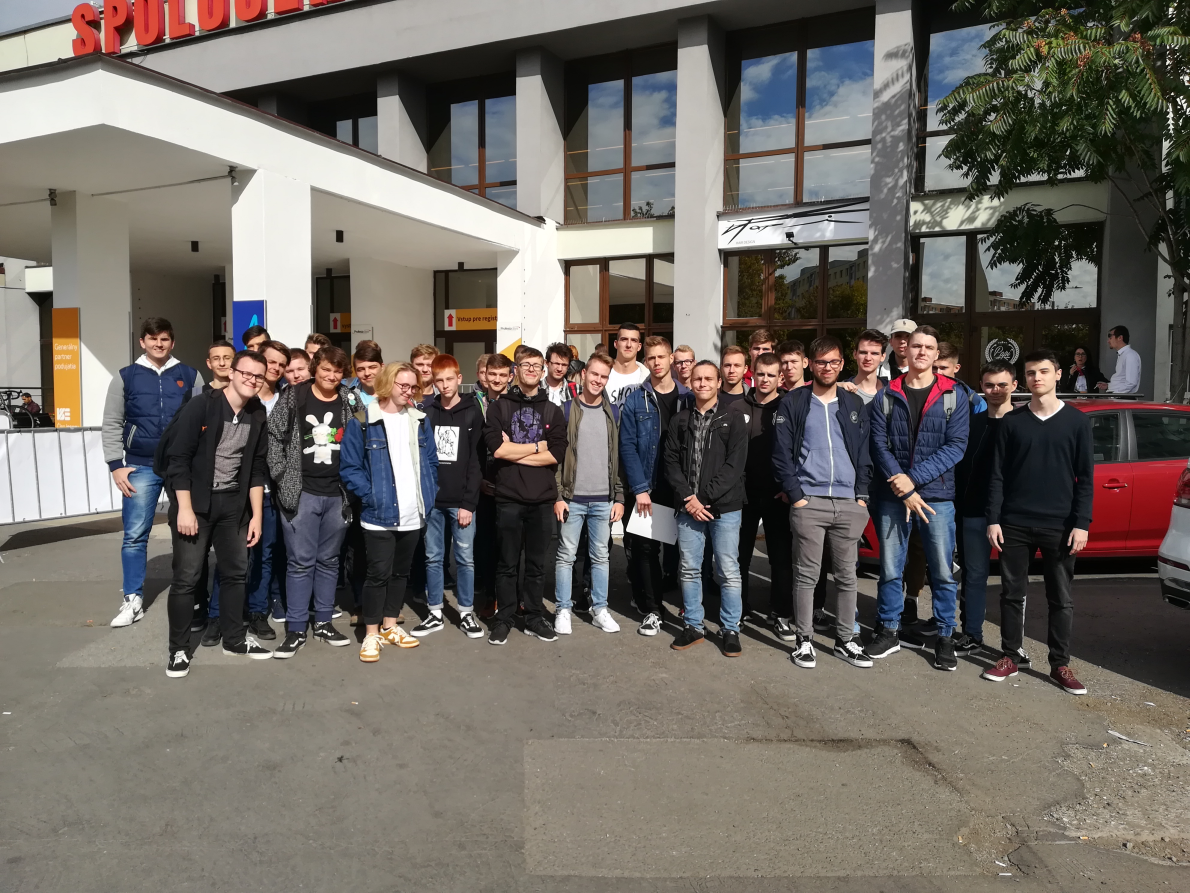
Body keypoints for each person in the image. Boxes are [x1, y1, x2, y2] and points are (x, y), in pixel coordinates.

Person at [983, 349, 1093, 695]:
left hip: (1060, 526)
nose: (1037, 378)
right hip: (1014, 523)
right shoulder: (1012, 422)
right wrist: (994, 519)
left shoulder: (1077, 422)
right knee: (1011, 594)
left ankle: (1060, 664)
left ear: (1058, 374)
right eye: (1031, 373)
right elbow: (997, 476)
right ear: (1024, 379)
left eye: (1043, 371)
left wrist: (1082, 523)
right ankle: (1010, 656)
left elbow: (1085, 479)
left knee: (1060, 598)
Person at [163, 350, 270, 678]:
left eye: (258, 376)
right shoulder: (202, 406)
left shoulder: (257, 413)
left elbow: (256, 468)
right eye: (246, 373)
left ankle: (234, 639)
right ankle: (178, 650)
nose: (252, 380)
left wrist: (256, 516)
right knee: (187, 577)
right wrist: (184, 509)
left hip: (233, 506)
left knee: (235, 574)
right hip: (195, 504)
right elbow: (178, 460)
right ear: (232, 373)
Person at [867, 326, 969, 670]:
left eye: (929, 347)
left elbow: (956, 447)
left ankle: (945, 636)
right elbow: (878, 444)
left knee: (941, 571)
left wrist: (912, 481)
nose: (922, 352)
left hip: (936, 497)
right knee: (890, 569)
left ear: (937, 354)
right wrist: (904, 488)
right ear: (905, 351)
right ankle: (889, 629)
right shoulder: (886, 394)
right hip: (893, 496)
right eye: (916, 346)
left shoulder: (954, 395)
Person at [773, 336, 874, 669]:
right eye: (821, 362)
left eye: (833, 362)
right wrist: (797, 496)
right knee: (807, 576)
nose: (827, 367)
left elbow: (865, 452)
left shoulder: (853, 403)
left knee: (847, 577)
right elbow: (781, 454)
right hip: (810, 502)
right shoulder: (794, 402)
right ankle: (804, 640)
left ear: (842, 364)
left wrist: (862, 497)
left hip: (849, 503)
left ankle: (846, 640)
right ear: (810, 365)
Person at [104, 317, 203, 629]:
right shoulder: (125, 377)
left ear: (172, 342)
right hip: (140, 465)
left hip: (181, 466)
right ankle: (132, 599)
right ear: (142, 342)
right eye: (153, 339)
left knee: (188, 531)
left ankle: (192, 595)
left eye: (164, 339)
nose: (158, 344)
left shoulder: (190, 375)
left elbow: (202, 420)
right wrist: (115, 465)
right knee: (135, 535)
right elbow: (112, 421)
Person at [267, 345, 362, 657]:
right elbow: (274, 436)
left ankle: (323, 622)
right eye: (326, 370)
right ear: (315, 368)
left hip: (339, 494)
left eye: (337, 371)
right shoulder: (294, 396)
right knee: (300, 562)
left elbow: (363, 438)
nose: (331, 376)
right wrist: (282, 476)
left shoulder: (351, 400)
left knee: (329, 560)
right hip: (302, 492)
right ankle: (296, 628)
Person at [340, 363, 439, 662]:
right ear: (387, 384)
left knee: (400, 574)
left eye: (413, 386)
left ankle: (390, 626)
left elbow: (431, 462)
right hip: (379, 515)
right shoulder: (363, 422)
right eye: (403, 385)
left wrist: (429, 494)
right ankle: (371, 634)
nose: (409, 391)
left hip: (413, 512)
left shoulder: (420, 420)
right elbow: (350, 468)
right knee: (377, 575)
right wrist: (371, 496)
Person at [203, 339, 292, 645]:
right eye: (271, 362)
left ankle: (256, 611)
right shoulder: (238, 397)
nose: (276, 368)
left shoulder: (285, 399)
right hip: (234, 490)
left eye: (282, 364)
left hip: (268, 490)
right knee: (232, 557)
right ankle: (217, 616)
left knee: (264, 555)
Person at [483, 347, 567, 645]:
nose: (531, 369)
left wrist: (515, 452)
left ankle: (533, 616)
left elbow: (556, 454)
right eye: (525, 364)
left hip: (542, 499)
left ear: (543, 371)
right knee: (506, 563)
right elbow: (497, 449)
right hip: (508, 497)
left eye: (536, 365)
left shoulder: (553, 411)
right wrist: (535, 447)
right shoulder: (499, 408)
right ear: (515, 370)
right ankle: (504, 617)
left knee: (536, 565)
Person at [664, 360, 748, 657]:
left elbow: (735, 466)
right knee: (689, 568)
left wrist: (703, 497)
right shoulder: (681, 420)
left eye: (708, 379)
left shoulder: (734, 418)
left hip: (725, 507)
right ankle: (693, 626)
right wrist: (689, 498)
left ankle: (730, 629)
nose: (702, 384)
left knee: (727, 569)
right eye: (698, 379)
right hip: (689, 506)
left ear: (718, 382)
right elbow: (670, 461)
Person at [620, 336, 691, 636]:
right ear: (645, 361)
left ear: (671, 359)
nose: (657, 362)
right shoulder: (636, 399)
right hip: (649, 486)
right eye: (651, 358)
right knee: (646, 549)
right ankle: (653, 609)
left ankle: (691, 610)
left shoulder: (689, 397)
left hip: (682, 488)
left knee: (687, 550)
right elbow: (627, 446)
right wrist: (639, 488)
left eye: (662, 357)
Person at [553, 352, 625, 635]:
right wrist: (558, 496)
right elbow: (557, 458)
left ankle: (600, 609)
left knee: (601, 557)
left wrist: (619, 497)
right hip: (572, 498)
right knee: (566, 556)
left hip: (603, 500)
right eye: (594, 374)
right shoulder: (565, 411)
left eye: (604, 376)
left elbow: (617, 458)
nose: (598, 380)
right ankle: (563, 609)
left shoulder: (613, 413)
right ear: (583, 374)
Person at [414, 354, 484, 638]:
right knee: (433, 557)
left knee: (465, 558)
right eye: (439, 380)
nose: (444, 385)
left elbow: (476, 462)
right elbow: (422, 459)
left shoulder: (472, 412)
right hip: (433, 502)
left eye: (449, 379)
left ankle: (466, 612)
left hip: (461, 503)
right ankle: (434, 612)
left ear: (459, 378)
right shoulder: (427, 412)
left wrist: (468, 503)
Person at [954, 360, 1017, 655]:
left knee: (1013, 584)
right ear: (981, 387)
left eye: (1002, 384)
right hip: (973, 512)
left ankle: (1013, 646)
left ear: (1014, 385)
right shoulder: (970, 424)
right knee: (974, 576)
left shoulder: (1024, 423)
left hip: (1012, 516)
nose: (996, 390)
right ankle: (972, 634)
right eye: (989, 385)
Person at [730, 352, 793, 637]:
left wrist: (789, 486)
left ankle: (780, 613)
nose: (765, 379)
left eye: (771, 375)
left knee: (780, 558)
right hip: (742, 495)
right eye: (760, 374)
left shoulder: (789, 406)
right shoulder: (736, 407)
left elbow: (798, 449)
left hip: (778, 495)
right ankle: (739, 610)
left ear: (780, 377)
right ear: (752, 375)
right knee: (739, 556)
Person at [475, 352, 514, 614]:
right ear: (484, 376)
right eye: (493, 374)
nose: (497, 379)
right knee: (487, 544)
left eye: (502, 375)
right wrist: (478, 479)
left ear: (510, 377)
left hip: (512, 483)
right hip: (484, 484)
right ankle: (490, 596)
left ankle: (513, 597)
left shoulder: (517, 405)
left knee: (511, 545)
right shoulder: (474, 405)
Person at [838, 329, 887, 404]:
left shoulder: (892, 391)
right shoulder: (841, 391)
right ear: (855, 354)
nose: (868, 358)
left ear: (883, 356)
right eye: (863, 353)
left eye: (874, 353)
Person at [605, 323, 649, 405]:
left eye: (634, 340)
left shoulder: (648, 379)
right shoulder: (601, 376)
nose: (628, 345)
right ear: (616, 344)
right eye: (624, 339)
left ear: (639, 347)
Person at [1102, 326, 1141, 394]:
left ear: (1120, 337)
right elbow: (1122, 380)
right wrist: (1109, 386)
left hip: (1122, 397)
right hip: (1119, 396)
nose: (1108, 341)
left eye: (1110, 337)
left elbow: (1131, 383)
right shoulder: (1124, 354)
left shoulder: (1130, 355)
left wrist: (1115, 394)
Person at [350, 341, 384, 406]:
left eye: (372, 367)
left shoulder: (396, 394)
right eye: (361, 369)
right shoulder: (347, 396)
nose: (367, 373)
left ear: (382, 367)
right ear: (355, 371)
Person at [544, 342, 578, 407]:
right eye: (556, 363)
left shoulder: (577, 390)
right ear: (546, 363)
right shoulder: (535, 389)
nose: (559, 369)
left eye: (564, 365)